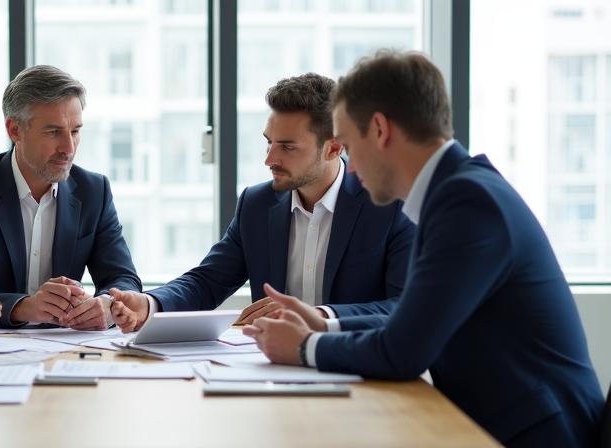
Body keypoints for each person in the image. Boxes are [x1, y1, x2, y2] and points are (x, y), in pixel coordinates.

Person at [243, 50, 604, 447]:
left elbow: (402, 352)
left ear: (379, 130)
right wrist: (323, 324)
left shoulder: (467, 203)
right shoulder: (457, 192)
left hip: (534, 435)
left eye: (346, 143)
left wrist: (302, 346)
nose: (347, 162)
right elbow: (411, 323)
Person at [110, 73, 412, 332]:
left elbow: (404, 307)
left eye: (287, 147)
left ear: (333, 147)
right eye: (269, 142)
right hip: (272, 369)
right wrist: (149, 304)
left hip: (360, 370)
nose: (269, 159)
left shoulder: (390, 204)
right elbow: (207, 282)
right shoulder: (256, 204)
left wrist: (319, 317)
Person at [0, 65, 141, 329]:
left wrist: (107, 305)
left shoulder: (94, 191)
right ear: (15, 130)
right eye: (54, 132)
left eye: (75, 131)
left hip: (66, 349)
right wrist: (23, 306)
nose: (69, 148)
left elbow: (123, 278)